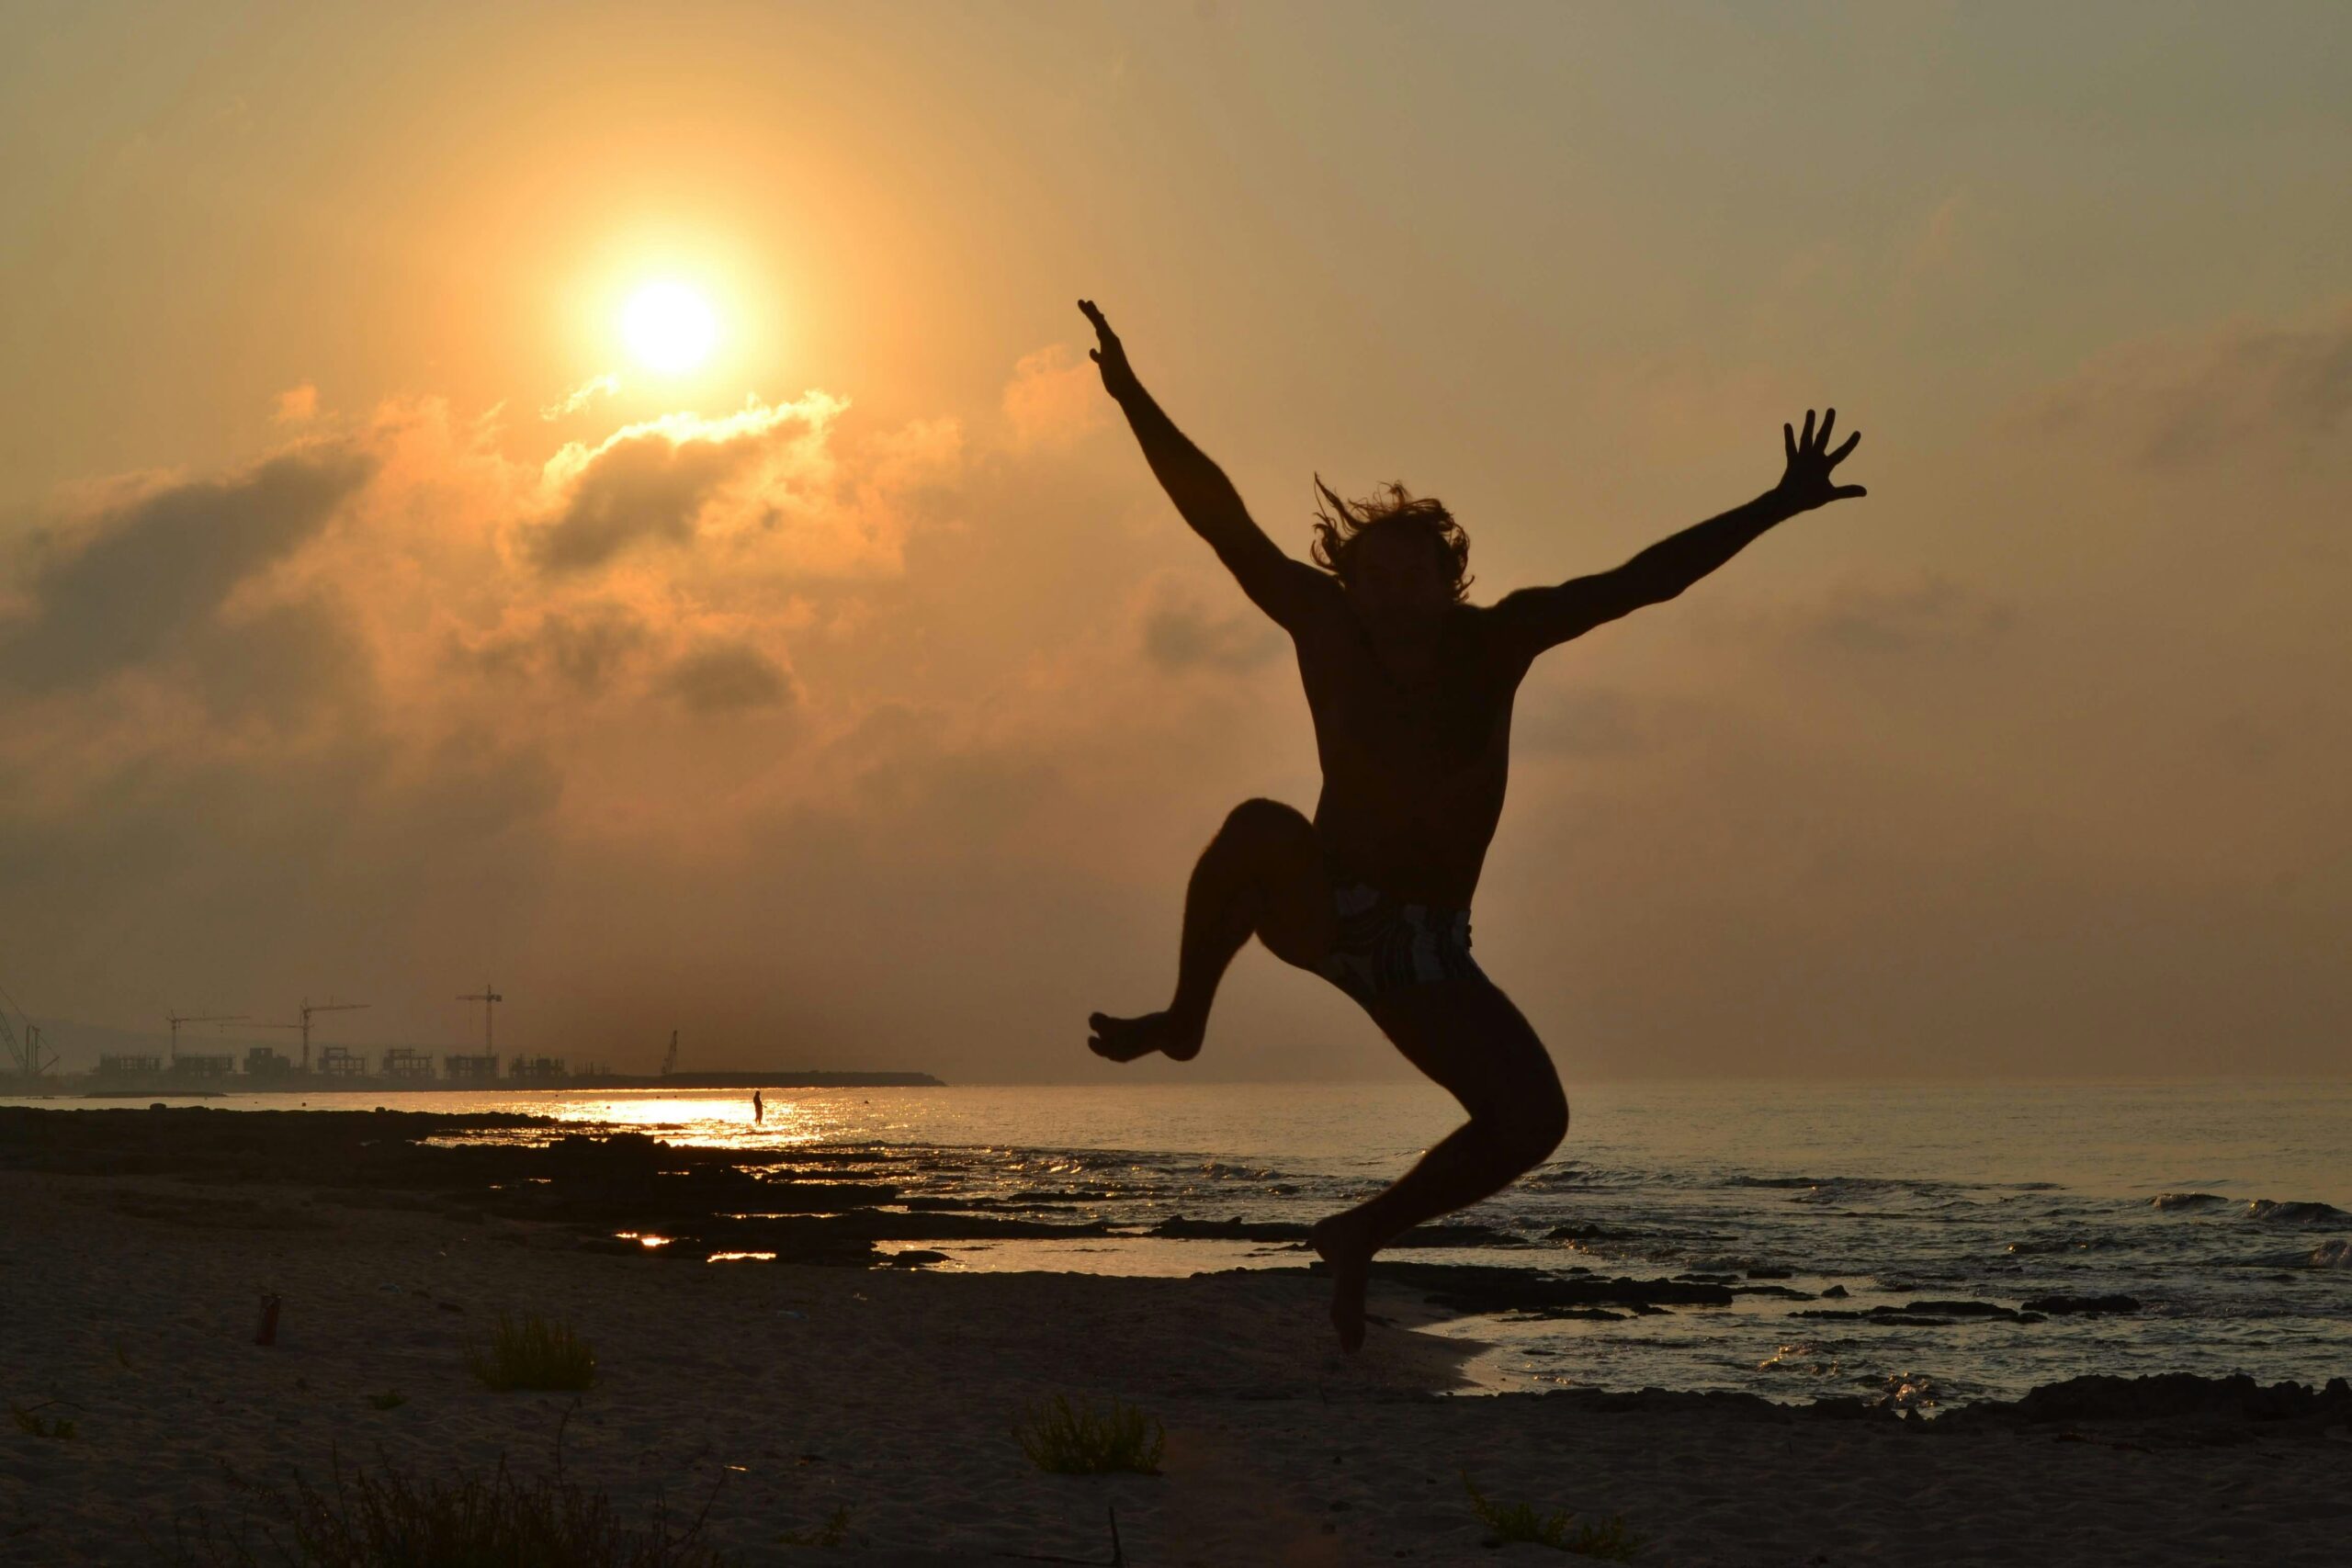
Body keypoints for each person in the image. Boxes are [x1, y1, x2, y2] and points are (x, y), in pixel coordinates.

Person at [1076, 299, 1866, 1350]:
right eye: (1373, 574)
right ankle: (1184, 1017)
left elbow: (1642, 581)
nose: (1393, 592)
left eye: (1416, 574)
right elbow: (1217, 516)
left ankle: (1360, 1230)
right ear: (1347, 580)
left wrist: (1774, 504)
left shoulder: (1497, 642)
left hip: (1425, 953)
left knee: (1533, 1121)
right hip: (1325, 905)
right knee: (1257, 824)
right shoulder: (1321, 623)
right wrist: (1133, 399)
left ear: (1451, 580)